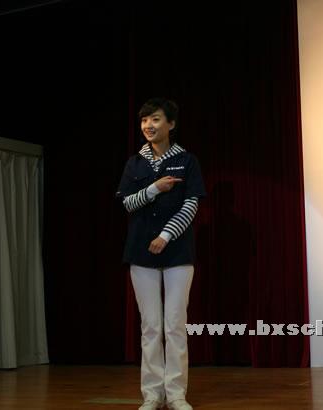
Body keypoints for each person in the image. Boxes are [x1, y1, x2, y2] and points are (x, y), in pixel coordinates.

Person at [116, 98, 206, 410]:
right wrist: (154, 188)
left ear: (171, 124)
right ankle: (152, 395)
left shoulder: (187, 160)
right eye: (144, 120)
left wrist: (166, 236)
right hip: (140, 252)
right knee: (151, 326)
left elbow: (191, 204)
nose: (148, 126)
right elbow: (127, 203)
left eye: (155, 119)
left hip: (178, 252)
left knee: (175, 325)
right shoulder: (134, 163)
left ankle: (176, 394)